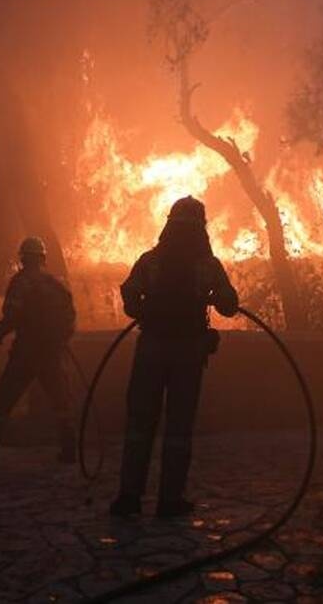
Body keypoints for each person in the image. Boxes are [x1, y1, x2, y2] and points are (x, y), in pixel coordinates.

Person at [111, 196, 239, 518]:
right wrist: (210, 295)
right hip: (187, 351)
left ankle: (129, 497)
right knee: (179, 426)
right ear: (202, 229)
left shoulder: (150, 260)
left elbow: (128, 293)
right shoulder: (207, 265)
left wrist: (144, 312)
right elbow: (229, 305)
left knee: (140, 422)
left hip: (151, 347)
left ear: (169, 225)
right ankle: (170, 500)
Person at [0, 237, 77, 464]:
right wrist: (60, 340)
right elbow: (70, 317)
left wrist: (0, 334)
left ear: (23, 258)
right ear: (43, 258)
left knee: (4, 399)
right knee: (61, 401)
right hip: (52, 353)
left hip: (26, 352)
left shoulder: (21, 282)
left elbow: (12, 313)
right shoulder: (56, 283)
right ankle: (69, 450)